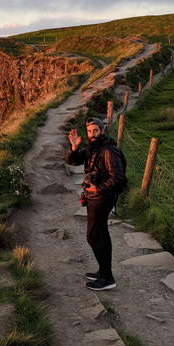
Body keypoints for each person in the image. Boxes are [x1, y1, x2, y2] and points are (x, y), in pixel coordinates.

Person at [66, 117, 125, 290]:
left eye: (95, 131)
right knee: (102, 235)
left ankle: (107, 278)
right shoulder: (92, 147)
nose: (92, 134)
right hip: (95, 197)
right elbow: (73, 161)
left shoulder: (109, 150)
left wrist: (97, 189)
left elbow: (118, 178)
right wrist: (74, 147)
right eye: (90, 131)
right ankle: (103, 272)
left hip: (102, 198)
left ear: (102, 131)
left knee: (93, 236)